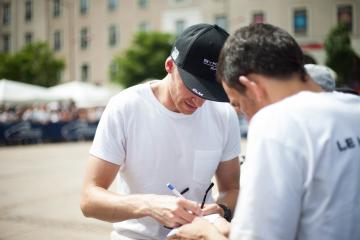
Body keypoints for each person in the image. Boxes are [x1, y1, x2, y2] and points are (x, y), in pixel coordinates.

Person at [167, 23, 360, 240]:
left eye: (238, 104)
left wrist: (205, 233)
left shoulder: (276, 124)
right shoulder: (355, 109)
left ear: (252, 87)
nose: (246, 117)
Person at [80, 23, 241, 240]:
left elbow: (232, 189)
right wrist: (148, 205)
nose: (200, 102)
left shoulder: (224, 113)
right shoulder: (126, 107)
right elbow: (89, 200)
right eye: (194, 88)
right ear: (169, 66)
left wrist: (222, 210)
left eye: (211, 93)